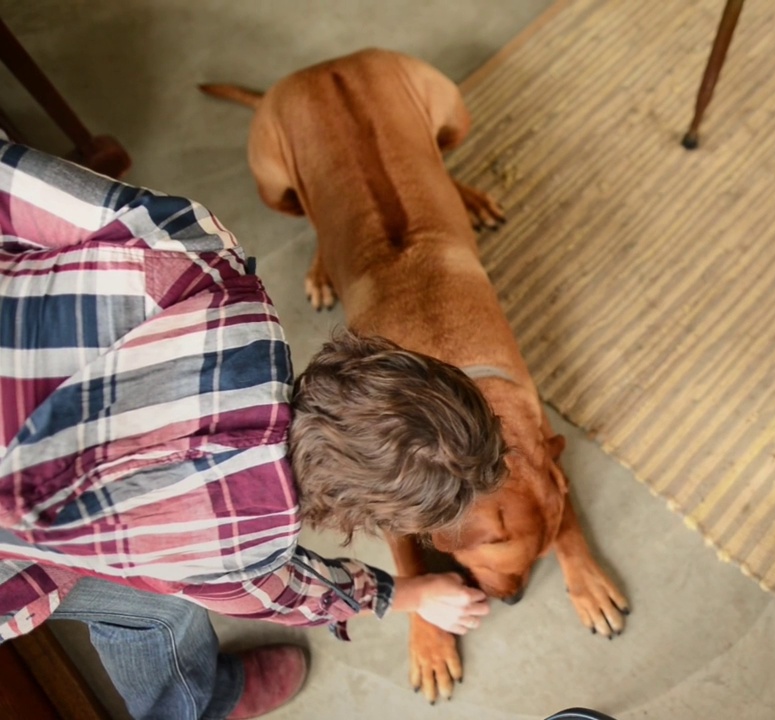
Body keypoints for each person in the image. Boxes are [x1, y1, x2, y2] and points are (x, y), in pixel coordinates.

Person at [0, 138, 507, 719]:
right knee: (164, 606)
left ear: (370, 358)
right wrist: (410, 594)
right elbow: (295, 595)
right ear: (356, 513)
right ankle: (201, 705)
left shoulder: (203, 256)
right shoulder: (242, 542)